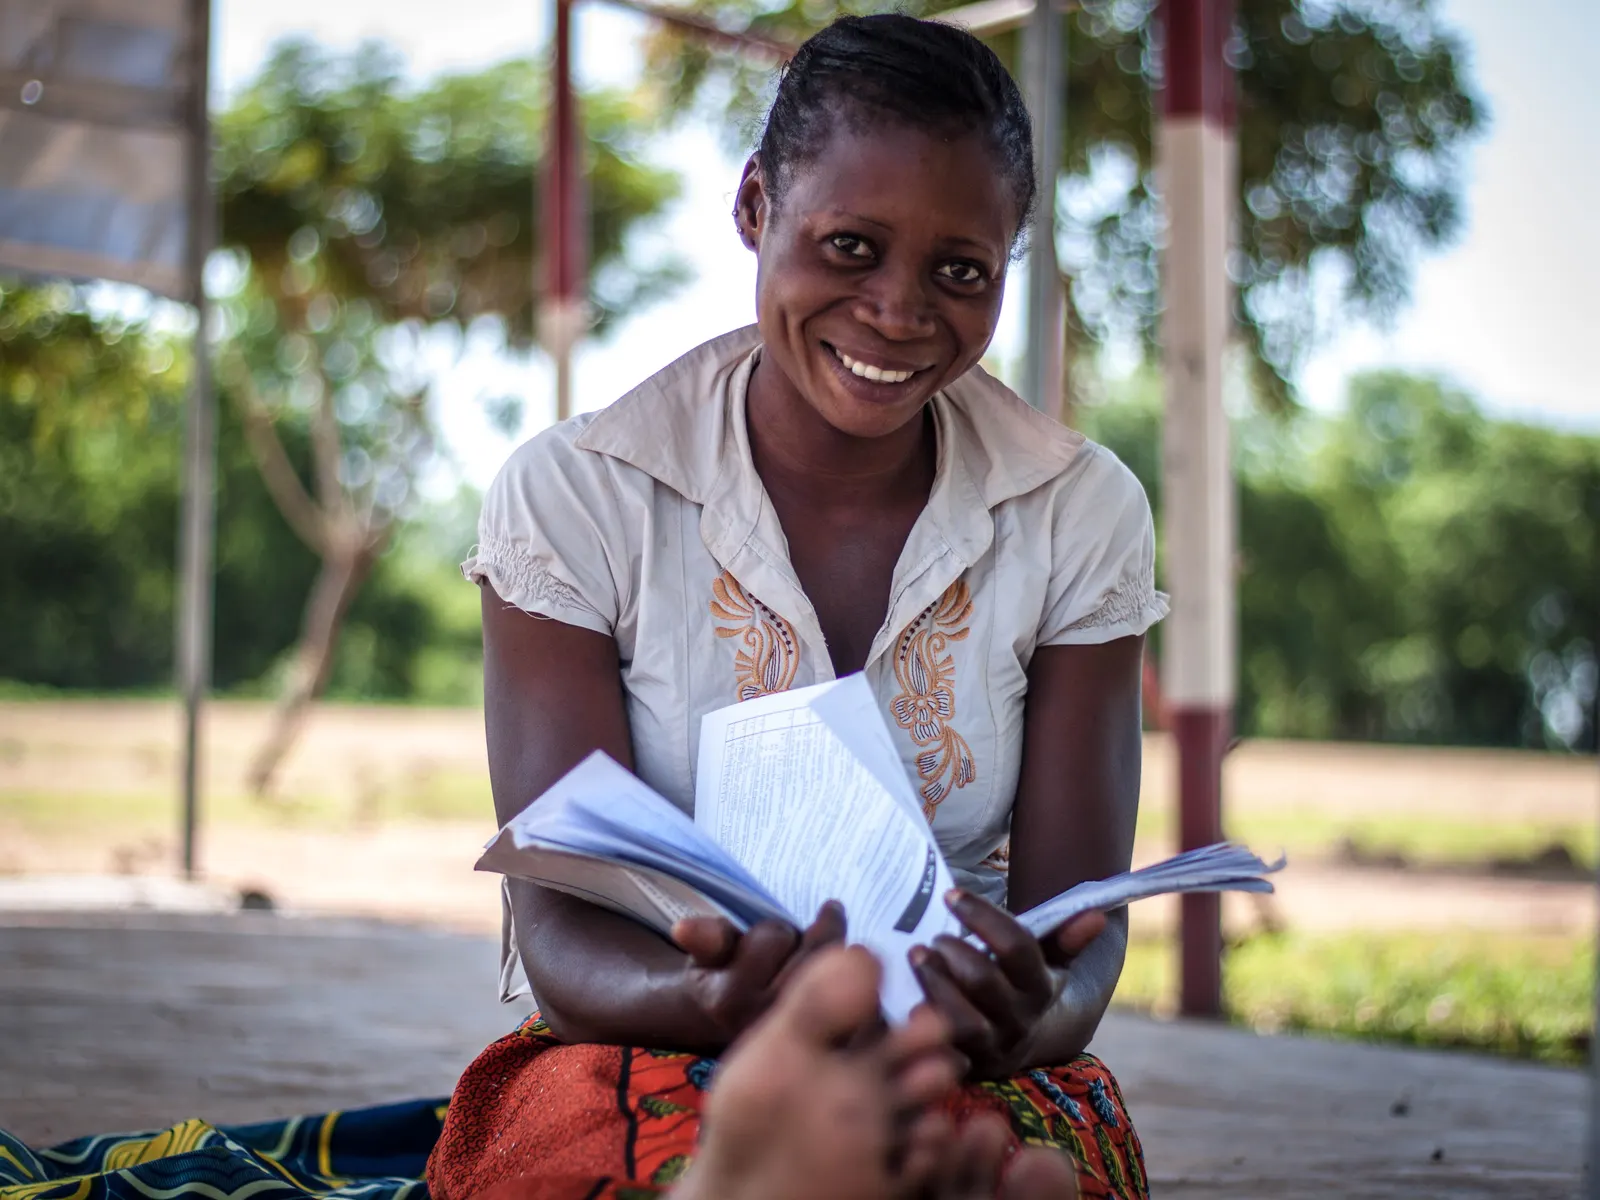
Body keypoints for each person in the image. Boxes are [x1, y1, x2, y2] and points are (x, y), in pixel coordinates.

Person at [428, 13, 1165, 1199]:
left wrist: (1026, 1016)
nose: (897, 310)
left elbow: (1079, 934)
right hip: (655, 1042)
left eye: (960, 272)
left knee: (1008, 1154)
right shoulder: (579, 494)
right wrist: (716, 999)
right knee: (594, 1158)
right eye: (850, 245)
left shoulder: (1077, 512)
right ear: (755, 208)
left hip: (957, 1056)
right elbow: (564, 939)